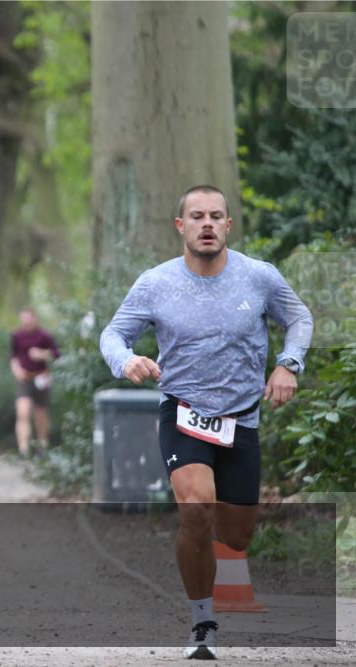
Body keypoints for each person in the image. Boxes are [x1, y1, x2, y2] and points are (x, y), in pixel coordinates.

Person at [100, 184, 312, 660]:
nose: (208, 224)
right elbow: (114, 333)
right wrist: (127, 360)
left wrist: (288, 363)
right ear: (181, 226)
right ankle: (202, 622)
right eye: (197, 216)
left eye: (216, 216)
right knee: (195, 509)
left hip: (241, 419)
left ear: (229, 225)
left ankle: (215, 557)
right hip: (183, 412)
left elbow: (299, 318)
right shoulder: (156, 282)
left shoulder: (259, 277)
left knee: (236, 535)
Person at [10, 308, 60, 458]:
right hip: (25, 378)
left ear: (34, 318)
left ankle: (42, 446)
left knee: (40, 415)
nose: (26, 322)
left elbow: (56, 355)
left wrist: (43, 354)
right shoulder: (16, 335)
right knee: (22, 412)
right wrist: (16, 370)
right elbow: (13, 356)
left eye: (28, 318)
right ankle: (23, 449)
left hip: (41, 378)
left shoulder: (44, 336)